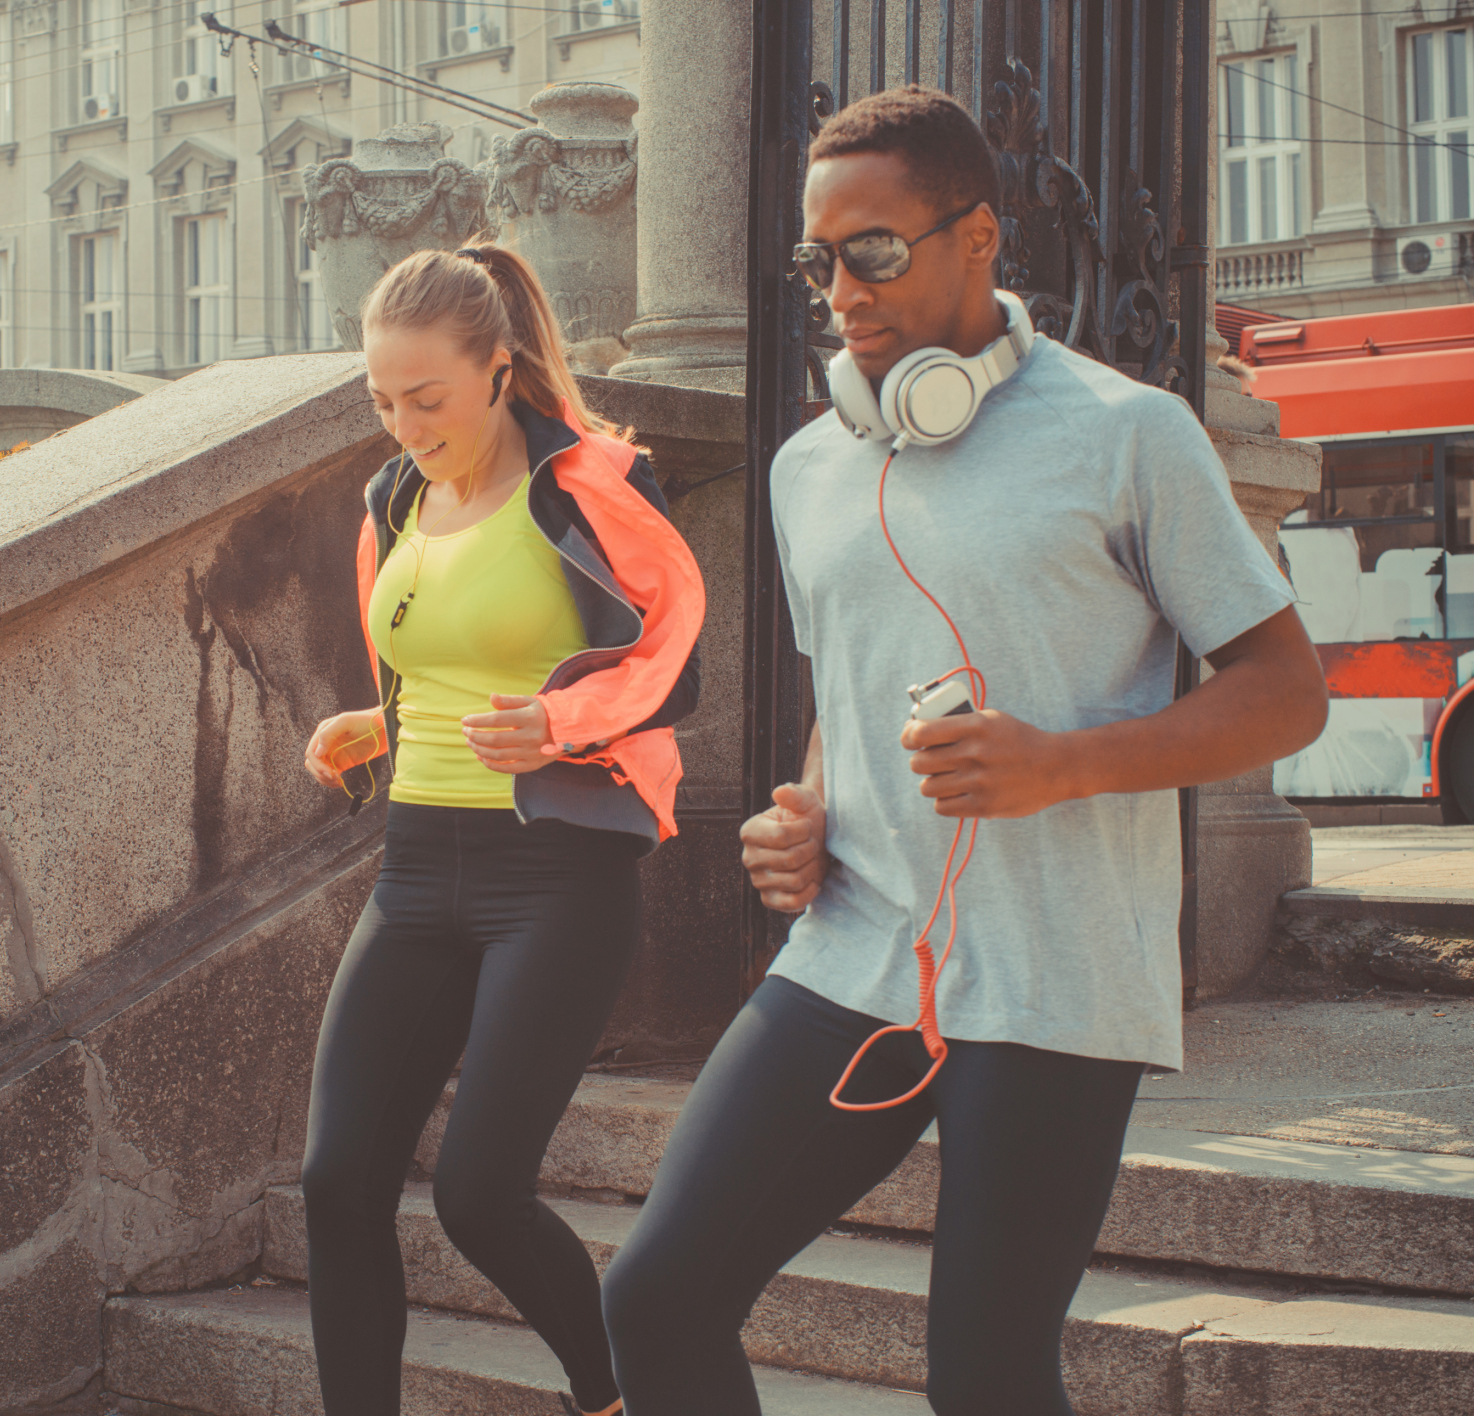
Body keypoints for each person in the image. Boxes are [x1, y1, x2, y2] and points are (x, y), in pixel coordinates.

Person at [600, 86, 1327, 1416]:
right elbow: (854, 696)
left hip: (1055, 976)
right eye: (816, 259)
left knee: (984, 1380)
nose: (839, 289)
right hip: (853, 950)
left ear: (979, 237)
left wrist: (1063, 764)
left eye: (871, 249)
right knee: (654, 1295)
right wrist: (804, 811)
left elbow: (1285, 694)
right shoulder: (811, 465)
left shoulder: (1127, 434)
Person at [299, 243, 705, 1416]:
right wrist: (374, 724)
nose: (404, 423)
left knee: (480, 1193)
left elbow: (672, 663)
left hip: (557, 879)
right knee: (337, 1180)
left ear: (496, 369)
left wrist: (562, 725)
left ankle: (611, 1394)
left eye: (425, 398)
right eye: (382, 400)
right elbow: (432, 657)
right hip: (416, 871)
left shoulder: (593, 486)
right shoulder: (394, 498)